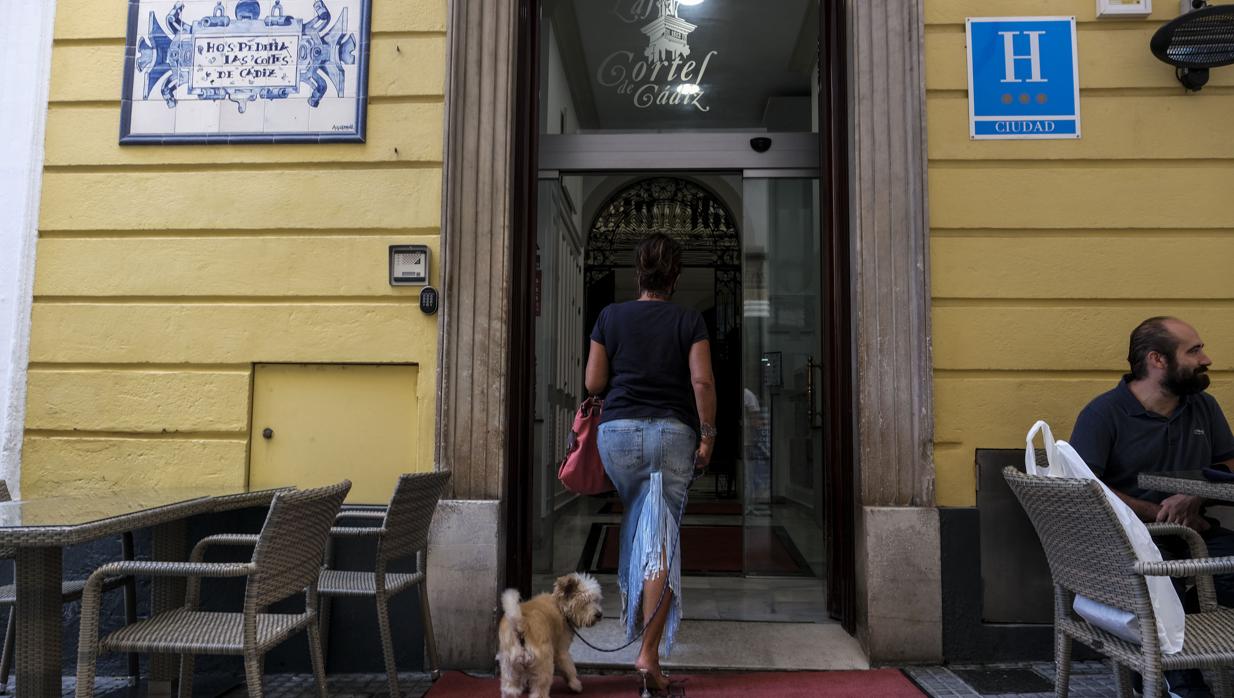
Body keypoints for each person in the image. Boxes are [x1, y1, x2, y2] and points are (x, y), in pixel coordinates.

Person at [1072, 316, 1234, 698]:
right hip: (1131, 545)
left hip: (1196, 534)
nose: (1206, 359)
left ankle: (1190, 634)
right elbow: (1082, 488)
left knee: (1213, 578)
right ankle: (1181, 682)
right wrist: (1154, 511)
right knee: (1163, 584)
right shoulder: (1103, 414)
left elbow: (1230, 464)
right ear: (1157, 360)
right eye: (1194, 351)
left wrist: (1194, 493)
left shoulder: (1203, 407)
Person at [584, 233, 716, 695]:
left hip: (617, 437)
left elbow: (594, 381)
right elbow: (701, 381)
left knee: (643, 526)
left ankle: (644, 647)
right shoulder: (688, 320)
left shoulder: (610, 316)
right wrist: (709, 435)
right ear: (675, 276)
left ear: (638, 274)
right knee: (660, 544)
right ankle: (648, 657)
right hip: (671, 436)